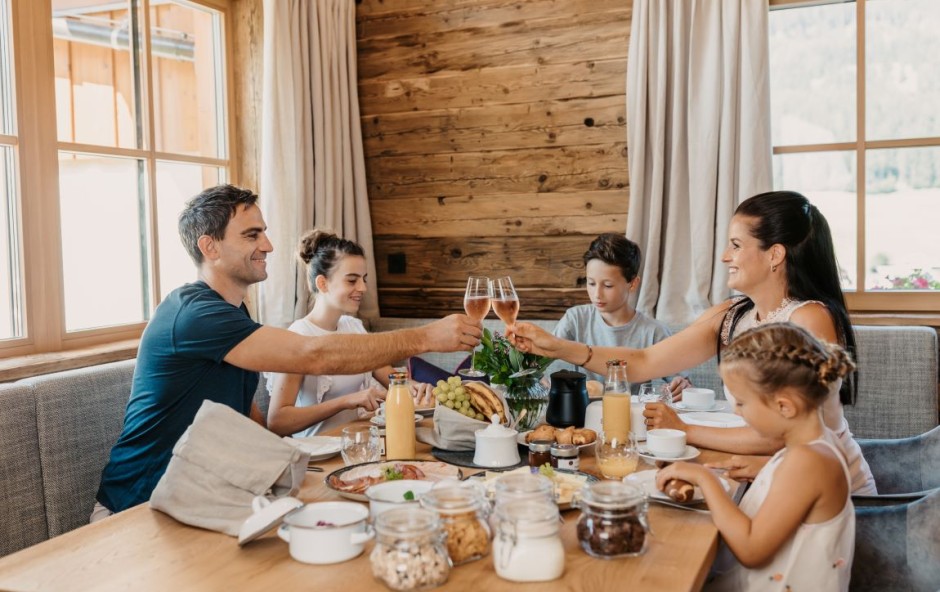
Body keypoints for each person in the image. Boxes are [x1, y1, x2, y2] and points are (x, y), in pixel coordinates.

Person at [93, 185, 480, 519]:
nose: (269, 245)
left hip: (200, 496)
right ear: (209, 247)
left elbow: (250, 418)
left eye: (264, 232)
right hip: (139, 506)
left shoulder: (235, 313)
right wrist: (425, 337)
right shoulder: (194, 313)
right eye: (252, 235)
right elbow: (314, 355)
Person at [508, 190, 876, 494]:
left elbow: (783, 432)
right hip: (769, 476)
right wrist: (559, 347)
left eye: (735, 245)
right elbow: (644, 361)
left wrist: (684, 430)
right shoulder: (733, 315)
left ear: (775, 254)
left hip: (824, 493)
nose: (724, 256)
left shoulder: (808, 318)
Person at [656, 324, 855, 591]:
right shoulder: (817, 444)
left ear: (784, 406)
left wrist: (704, 478)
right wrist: (766, 470)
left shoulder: (806, 462)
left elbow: (751, 550)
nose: (737, 412)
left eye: (741, 402)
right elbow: (799, 489)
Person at [267, 230, 433, 437]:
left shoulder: (353, 327)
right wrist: (346, 401)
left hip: (356, 445)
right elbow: (277, 422)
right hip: (315, 455)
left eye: (363, 279)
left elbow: (392, 379)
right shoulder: (297, 337)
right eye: (352, 280)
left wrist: (416, 388)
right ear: (322, 283)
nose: (363, 288)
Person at [548, 233, 690, 397]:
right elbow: (541, 364)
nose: (597, 294)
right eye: (591, 283)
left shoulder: (653, 332)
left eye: (608, 285)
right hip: (581, 416)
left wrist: (682, 385)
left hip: (629, 415)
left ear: (633, 284)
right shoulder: (575, 319)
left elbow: (683, 383)